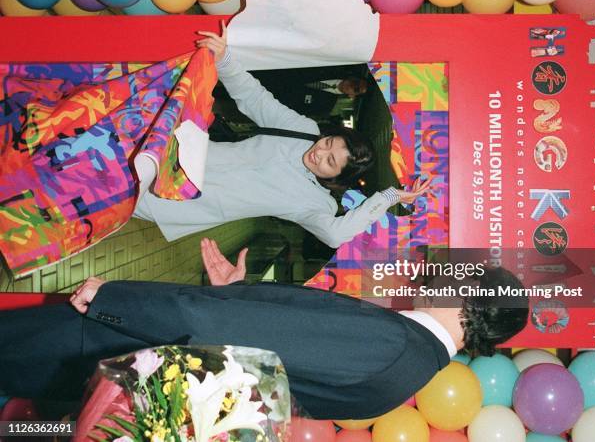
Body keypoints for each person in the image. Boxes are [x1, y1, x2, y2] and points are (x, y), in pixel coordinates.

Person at [0, 239, 529, 420]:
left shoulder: (394, 344)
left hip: (117, 344)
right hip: (128, 382)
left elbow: (215, 326)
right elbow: (258, 361)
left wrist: (114, 303)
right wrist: (235, 289)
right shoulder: (407, 371)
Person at [133, 22, 430, 248]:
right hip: (170, 152)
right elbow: (256, 99)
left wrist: (387, 196)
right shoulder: (304, 133)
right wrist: (225, 60)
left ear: (335, 177)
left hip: (170, 201)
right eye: (328, 143)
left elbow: (335, 235)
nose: (319, 153)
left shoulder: (315, 203)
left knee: (96, 197)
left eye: (329, 161)